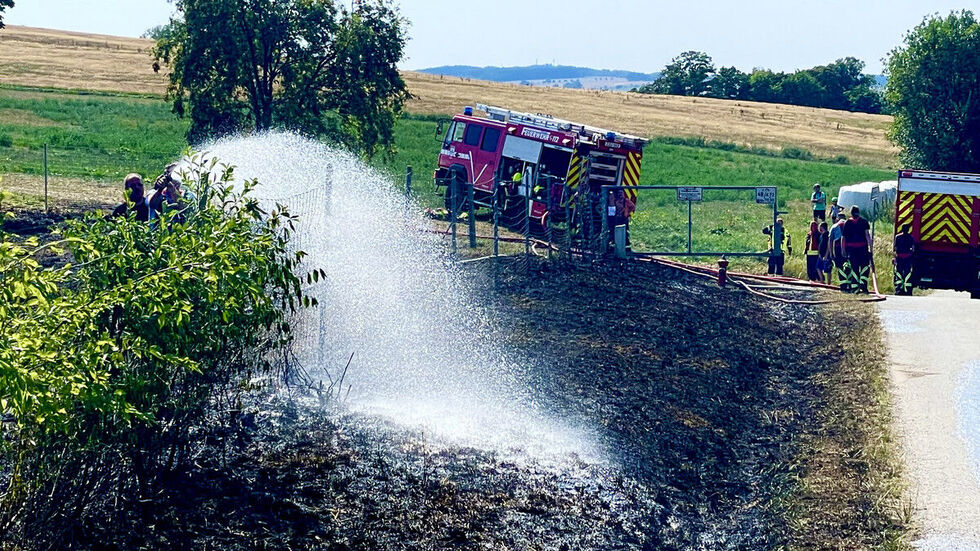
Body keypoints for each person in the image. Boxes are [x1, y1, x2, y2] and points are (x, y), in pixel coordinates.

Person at [842, 205, 873, 293]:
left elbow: (843, 238)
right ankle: (864, 287)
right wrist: (870, 249)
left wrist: (843, 250)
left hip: (852, 250)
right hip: (862, 249)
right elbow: (867, 236)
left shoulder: (848, 223)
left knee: (854, 268)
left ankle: (855, 288)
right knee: (864, 268)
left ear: (851, 213)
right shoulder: (864, 222)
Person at [894, 223, 916, 295]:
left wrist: (895, 257)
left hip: (899, 257)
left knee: (898, 273)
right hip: (907, 257)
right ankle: (908, 290)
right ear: (908, 229)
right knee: (908, 273)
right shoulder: (911, 237)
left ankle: (899, 289)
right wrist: (910, 254)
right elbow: (913, 248)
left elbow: (895, 248)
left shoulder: (897, 237)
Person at [829, 213, 847, 288]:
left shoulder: (834, 226)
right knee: (848, 266)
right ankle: (849, 284)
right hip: (848, 248)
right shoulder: (849, 225)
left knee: (840, 267)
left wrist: (831, 253)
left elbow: (830, 240)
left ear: (837, 218)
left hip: (838, 249)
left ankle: (843, 285)